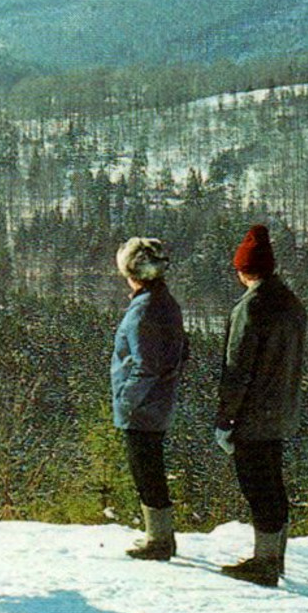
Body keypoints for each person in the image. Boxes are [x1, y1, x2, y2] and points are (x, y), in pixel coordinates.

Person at [215, 224, 306, 587]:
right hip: (283, 410)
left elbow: (236, 369)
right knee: (274, 485)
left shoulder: (250, 309)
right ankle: (274, 557)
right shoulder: (291, 303)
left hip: (253, 415)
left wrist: (225, 418)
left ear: (243, 270)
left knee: (257, 486)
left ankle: (265, 562)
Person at [110, 237, 189, 561]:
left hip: (143, 406)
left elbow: (145, 363)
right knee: (150, 468)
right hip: (159, 401)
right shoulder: (165, 302)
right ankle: (160, 537)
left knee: (146, 471)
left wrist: (127, 400)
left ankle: (159, 540)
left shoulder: (144, 309)